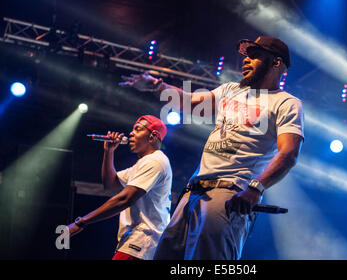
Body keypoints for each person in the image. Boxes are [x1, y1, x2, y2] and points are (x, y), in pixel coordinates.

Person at [120, 36, 304, 259]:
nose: (245, 60)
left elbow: (289, 153)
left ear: (276, 63)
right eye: (246, 55)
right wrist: (156, 86)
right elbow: (188, 101)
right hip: (193, 193)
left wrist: (256, 188)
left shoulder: (286, 103)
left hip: (229, 194)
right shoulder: (230, 90)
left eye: (254, 56)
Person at [67, 115, 172, 260]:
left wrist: (81, 222)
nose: (131, 133)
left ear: (152, 137)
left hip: (142, 239)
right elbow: (110, 186)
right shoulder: (142, 164)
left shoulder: (155, 161)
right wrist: (109, 151)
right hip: (135, 241)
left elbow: (124, 198)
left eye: (138, 129)